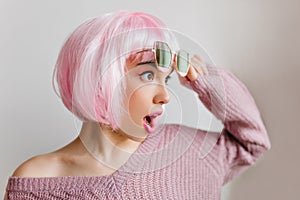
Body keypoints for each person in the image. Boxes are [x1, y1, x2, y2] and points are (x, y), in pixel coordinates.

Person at [4, 11, 271, 199]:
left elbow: (253, 141)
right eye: (147, 75)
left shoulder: (187, 150)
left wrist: (207, 80)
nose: (165, 96)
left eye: (166, 79)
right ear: (101, 80)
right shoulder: (36, 180)